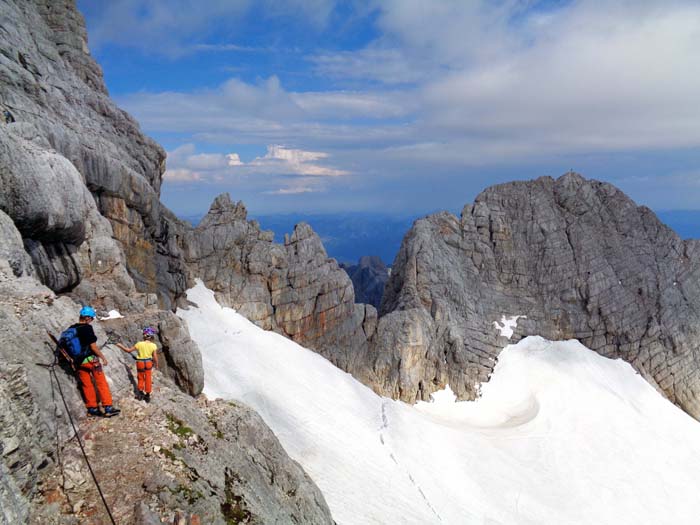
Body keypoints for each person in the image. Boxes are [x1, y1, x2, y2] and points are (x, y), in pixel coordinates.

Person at [65, 306, 120, 417]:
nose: (92, 320)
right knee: (101, 383)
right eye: (92, 318)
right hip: (91, 360)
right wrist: (103, 357)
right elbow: (93, 347)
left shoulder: (70, 329)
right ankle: (108, 407)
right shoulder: (87, 328)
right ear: (88, 318)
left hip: (79, 363)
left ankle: (92, 408)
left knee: (86, 385)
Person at [116, 327, 159, 402]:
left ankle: (140, 393)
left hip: (140, 362)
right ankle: (148, 395)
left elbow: (128, 350)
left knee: (140, 377)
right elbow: (155, 357)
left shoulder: (139, 344)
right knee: (148, 378)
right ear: (151, 336)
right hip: (149, 363)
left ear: (144, 335)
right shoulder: (153, 345)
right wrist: (156, 364)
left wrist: (119, 345)